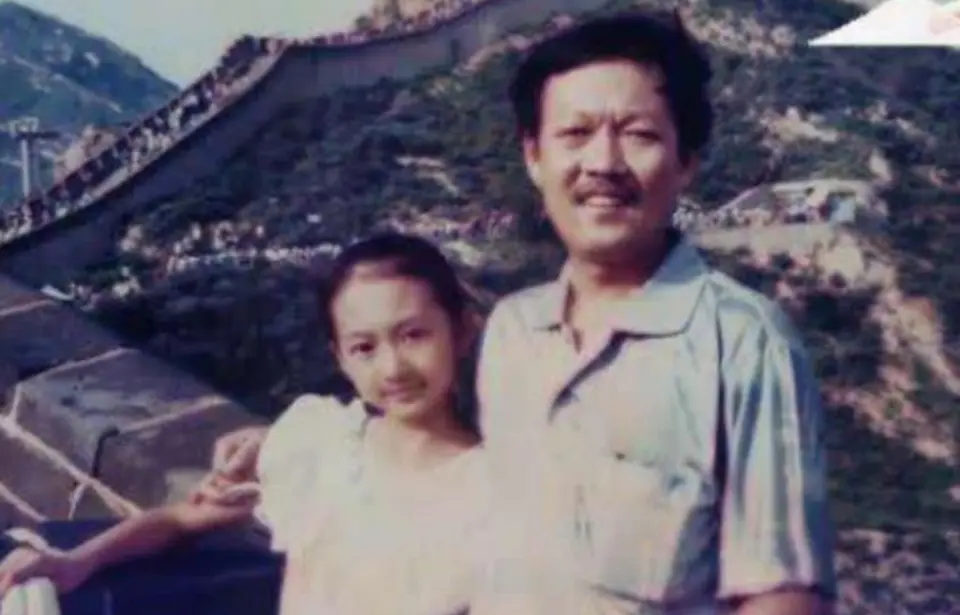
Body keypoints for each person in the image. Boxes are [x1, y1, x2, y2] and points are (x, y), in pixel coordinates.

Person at [200, 9, 837, 615]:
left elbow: (782, 595)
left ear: (686, 160)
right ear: (534, 157)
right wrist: (281, 443)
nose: (603, 163)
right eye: (575, 134)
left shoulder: (744, 345)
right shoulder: (511, 331)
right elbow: (421, 425)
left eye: (639, 134)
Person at [0, 233, 490, 615]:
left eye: (414, 335)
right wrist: (77, 561)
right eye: (365, 347)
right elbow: (182, 520)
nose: (393, 368)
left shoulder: (493, 491)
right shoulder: (323, 444)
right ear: (340, 357)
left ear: (462, 331)